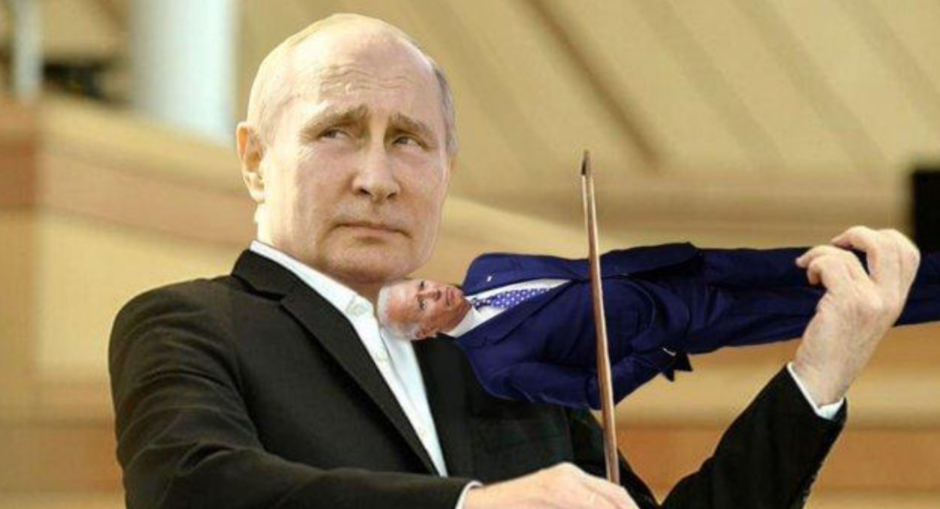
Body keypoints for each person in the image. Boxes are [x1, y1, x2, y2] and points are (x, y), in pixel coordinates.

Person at [107, 13, 923, 509]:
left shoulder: (495, 356)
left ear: (446, 171)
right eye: (337, 132)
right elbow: (195, 489)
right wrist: (477, 504)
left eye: (408, 140)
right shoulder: (185, 323)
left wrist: (820, 372)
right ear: (255, 159)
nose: (376, 177)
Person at [378, 243, 940, 409]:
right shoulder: (495, 367)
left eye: (422, 285)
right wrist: (659, 350)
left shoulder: (487, 266)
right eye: (421, 307)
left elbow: (577, 272)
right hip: (679, 321)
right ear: (425, 335)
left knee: (819, 263)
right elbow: (592, 392)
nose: (433, 293)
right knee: (823, 306)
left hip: (674, 267)